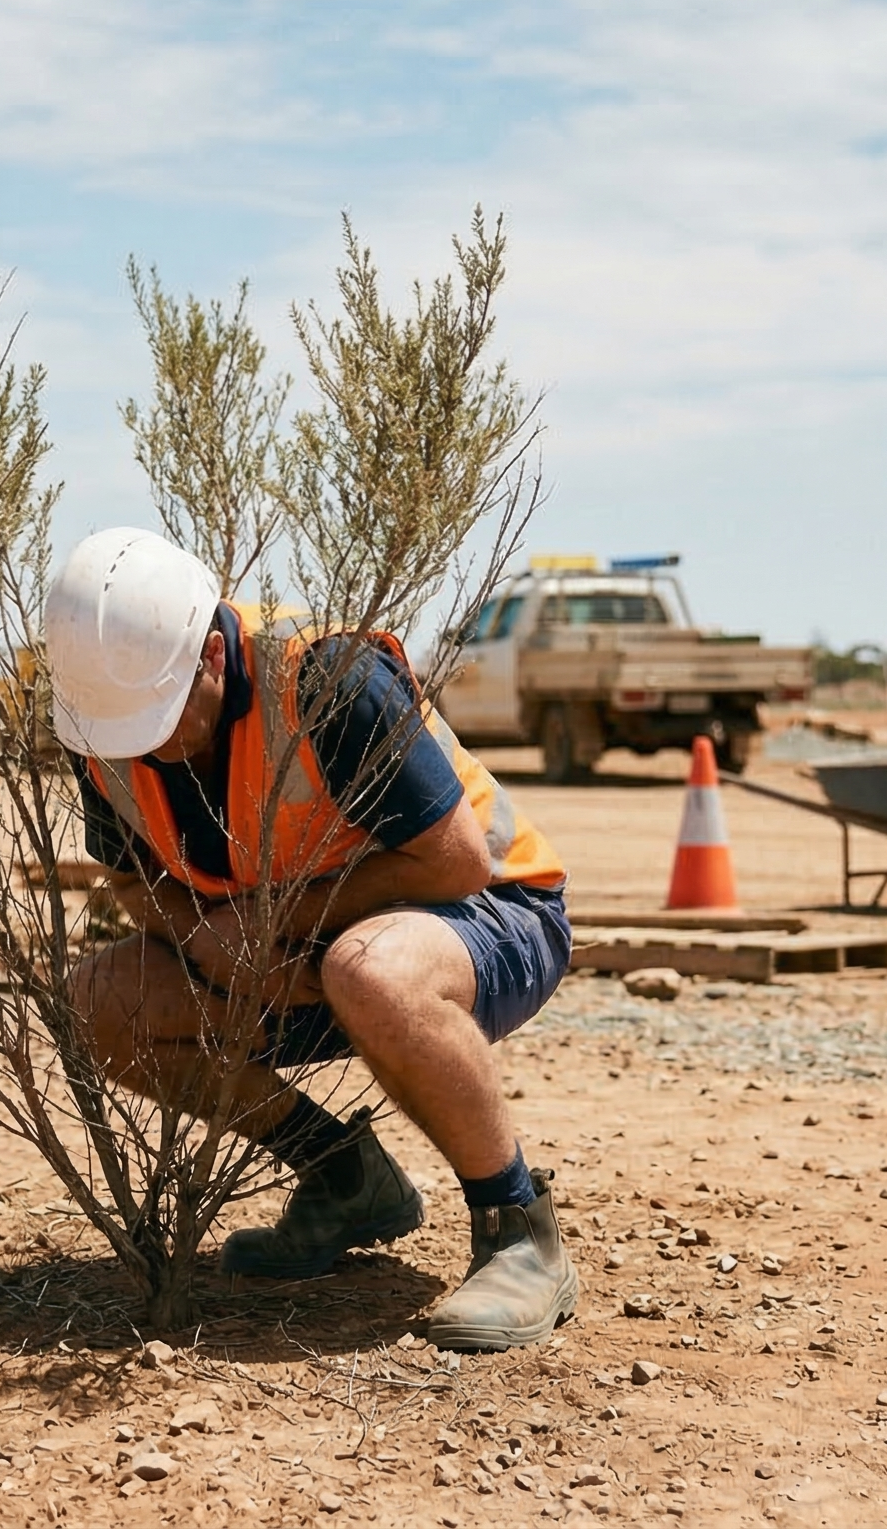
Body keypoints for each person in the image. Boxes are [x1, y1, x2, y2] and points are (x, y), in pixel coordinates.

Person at [46, 528, 577, 1352]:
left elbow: (456, 862)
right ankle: (344, 1177)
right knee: (100, 1004)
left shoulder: (327, 680)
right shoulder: (105, 725)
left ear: (213, 657)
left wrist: (279, 926)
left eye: (161, 720)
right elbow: (129, 879)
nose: (144, 748)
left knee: (368, 970)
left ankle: (518, 1232)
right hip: (296, 957)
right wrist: (207, 936)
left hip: (493, 918)